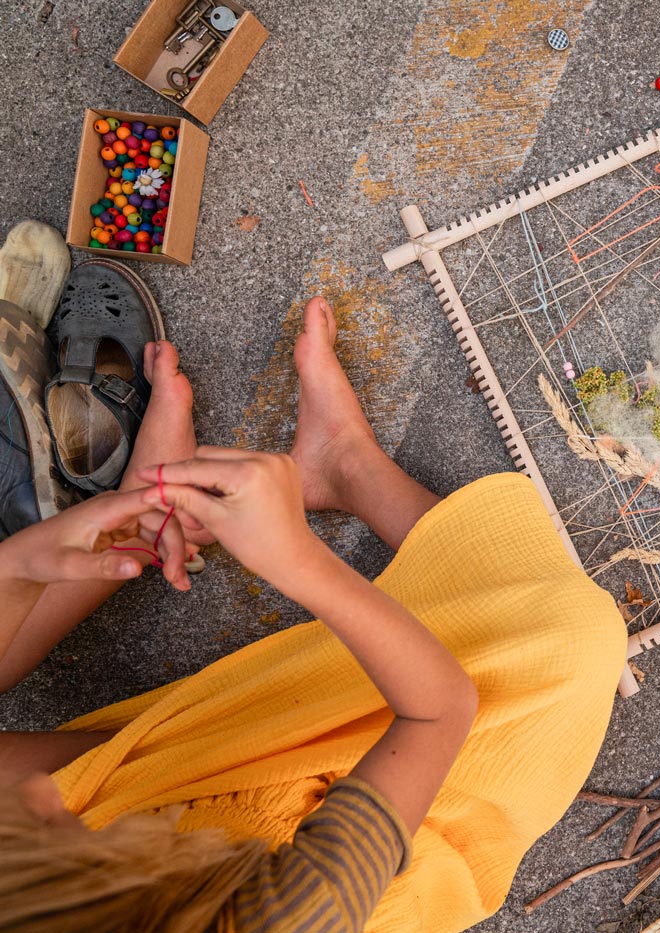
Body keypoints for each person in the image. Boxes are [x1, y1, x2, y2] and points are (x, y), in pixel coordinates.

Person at [0, 292, 626, 932]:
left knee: (68, 776)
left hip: (169, 839)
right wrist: (293, 558)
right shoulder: (294, 915)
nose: (39, 792)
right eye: (56, 826)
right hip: (367, 824)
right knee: (572, 641)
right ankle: (345, 464)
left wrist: (18, 568)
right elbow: (440, 708)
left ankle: (142, 517)